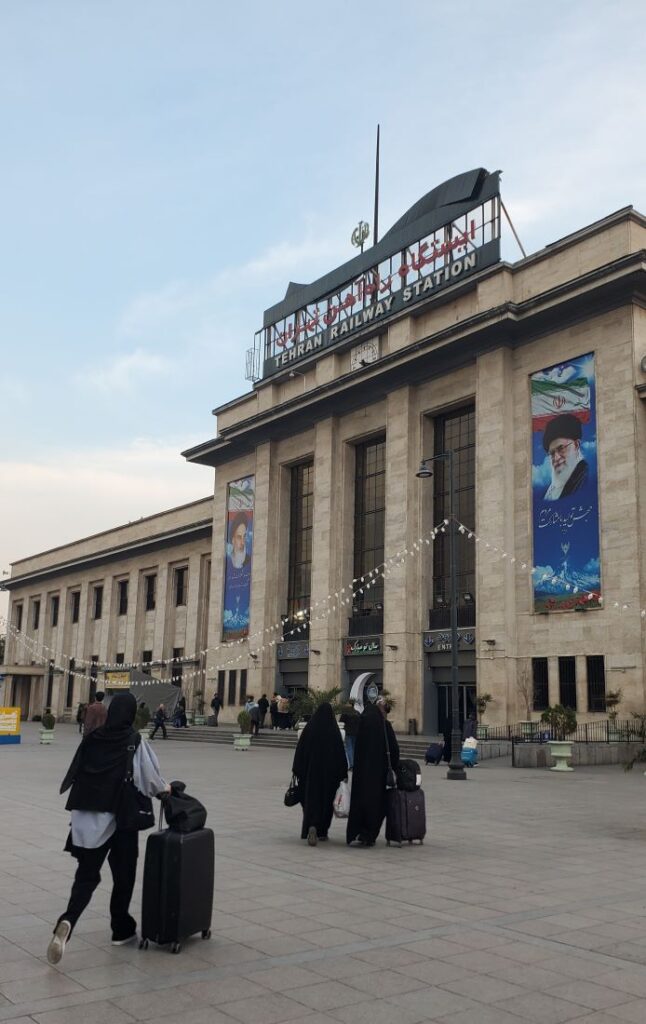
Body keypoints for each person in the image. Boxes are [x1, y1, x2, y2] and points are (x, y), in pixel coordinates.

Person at [47, 692, 168, 965]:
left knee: (86, 877)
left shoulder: (92, 738)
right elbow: (150, 779)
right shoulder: (133, 741)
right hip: (118, 816)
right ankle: (121, 929)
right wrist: (166, 789)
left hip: (85, 817)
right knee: (124, 874)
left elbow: (76, 771)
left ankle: (68, 920)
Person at [292, 702, 348, 846]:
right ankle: (322, 831)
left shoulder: (310, 729)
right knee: (326, 802)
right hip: (329, 777)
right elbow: (340, 754)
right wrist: (343, 773)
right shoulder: (333, 731)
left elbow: (300, 751)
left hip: (310, 775)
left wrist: (297, 770)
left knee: (311, 801)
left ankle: (311, 824)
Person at [346, 702, 399, 847]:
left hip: (361, 774)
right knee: (377, 804)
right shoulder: (385, 726)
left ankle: (357, 832)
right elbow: (394, 750)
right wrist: (394, 767)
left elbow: (355, 748)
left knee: (360, 803)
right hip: (379, 775)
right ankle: (370, 834)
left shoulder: (362, 726)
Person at [542, 413, 589, 501]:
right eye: (552, 453)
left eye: (561, 448)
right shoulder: (552, 490)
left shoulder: (586, 477)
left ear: (576, 445)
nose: (556, 458)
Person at [339, 702, 360, 769]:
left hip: (348, 733)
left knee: (349, 748)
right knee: (354, 748)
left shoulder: (345, 713)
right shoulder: (357, 713)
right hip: (356, 733)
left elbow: (341, 722)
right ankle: (355, 763)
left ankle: (352, 764)